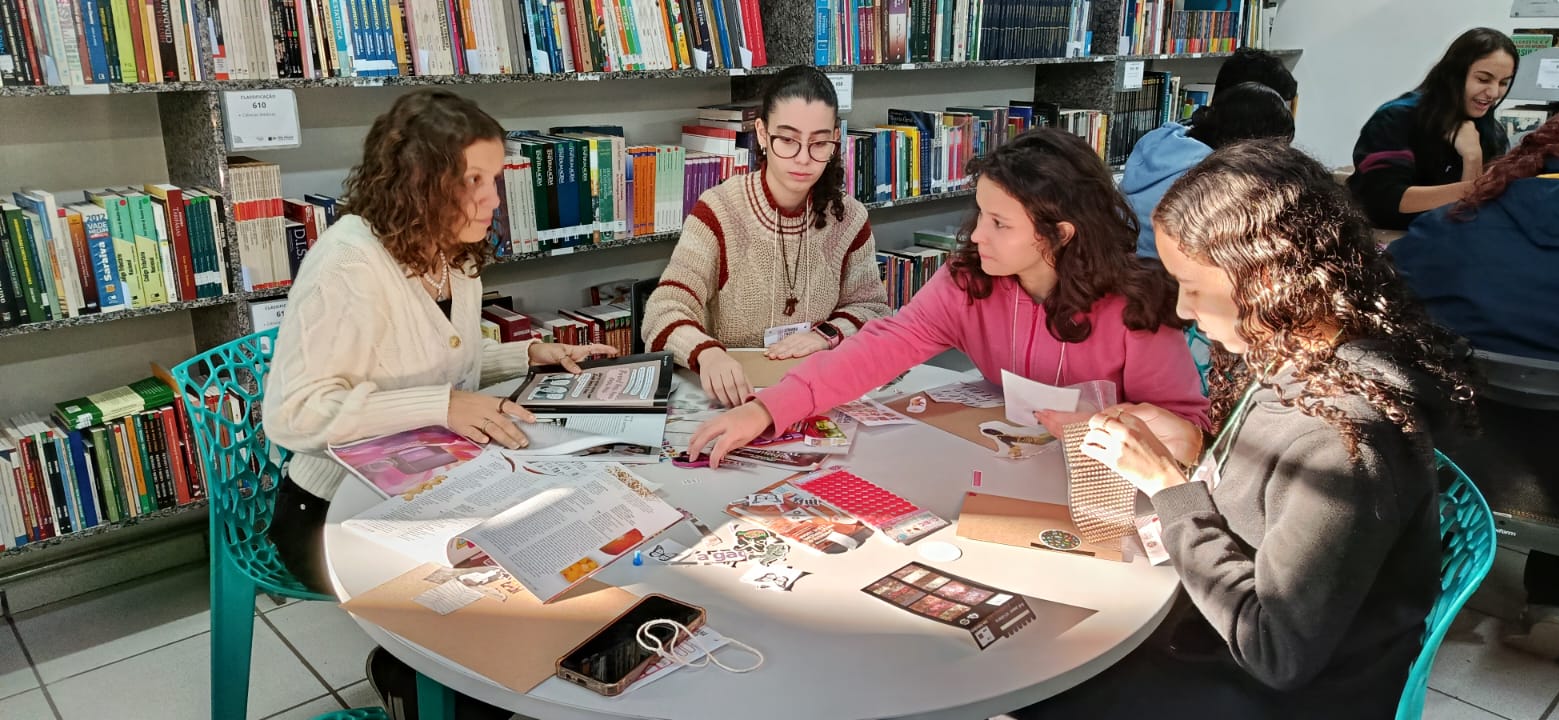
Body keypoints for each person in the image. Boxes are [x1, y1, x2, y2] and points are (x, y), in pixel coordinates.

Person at [1016, 141, 1474, 719]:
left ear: (1267, 276)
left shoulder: (1343, 440)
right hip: (1228, 645)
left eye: (1192, 287)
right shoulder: (1301, 354)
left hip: (1281, 694)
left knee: (1035, 679)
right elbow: (1268, 505)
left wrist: (1170, 489)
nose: (1183, 310)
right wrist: (1197, 451)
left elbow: (1275, 652)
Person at [262, 89, 615, 719]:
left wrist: (526, 354)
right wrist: (442, 406)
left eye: (496, 178)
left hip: (425, 482)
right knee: (490, 607)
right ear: (419, 182)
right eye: (473, 180)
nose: (493, 199)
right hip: (327, 510)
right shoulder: (347, 264)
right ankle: (429, 684)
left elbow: (442, 366)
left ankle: (422, 676)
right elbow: (295, 413)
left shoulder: (451, 250)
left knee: (558, 547)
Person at [684, 127, 1209, 467]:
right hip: (1001, 467)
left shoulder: (1136, 308)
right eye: (981, 214)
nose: (977, 235)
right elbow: (877, 349)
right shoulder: (969, 282)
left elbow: (1189, 432)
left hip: (1107, 491)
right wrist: (767, 409)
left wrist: (1105, 427)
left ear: (1059, 234)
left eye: (1000, 223)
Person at [1389, 109, 1559, 664]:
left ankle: (1428, 573)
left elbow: (1386, 297)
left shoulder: (1454, 223)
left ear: (1527, 159)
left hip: (1452, 457)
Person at [642, 65, 891, 407]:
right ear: (761, 133)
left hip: (814, 391)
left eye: (819, 143)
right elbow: (662, 311)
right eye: (787, 140)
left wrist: (827, 335)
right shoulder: (719, 210)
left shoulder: (848, 217)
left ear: (835, 139)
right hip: (733, 396)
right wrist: (706, 353)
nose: (803, 159)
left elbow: (874, 309)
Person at [1348, 27, 1519, 230]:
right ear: (1454, 74)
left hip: (1447, 240)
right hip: (1382, 239)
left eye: (1503, 83)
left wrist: (1472, 157)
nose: (1493, 92)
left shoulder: (1492, 132)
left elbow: (1473, 215)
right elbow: (1383, 200)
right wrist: (1475, 189)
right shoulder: (1395, 119)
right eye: (1483, 79)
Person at [1122, 81, 1296, 258]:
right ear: (1254, 141)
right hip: (1161, 266)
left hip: (1122, 254)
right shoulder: (1217, 177)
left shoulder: (1161, 137)